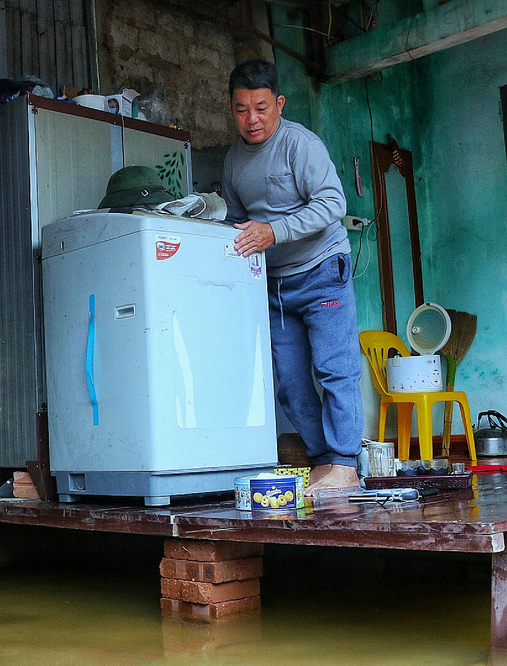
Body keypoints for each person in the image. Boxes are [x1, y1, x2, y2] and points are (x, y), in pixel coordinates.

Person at [221, 58, 363, 494]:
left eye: (261, 107)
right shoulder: (232, 162)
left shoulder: (300, 145)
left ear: (279, 104)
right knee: (292, 385)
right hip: (275, 286)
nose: (253, 119)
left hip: (322, 270)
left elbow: (331, 205)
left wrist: (274, 231)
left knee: (334, 370)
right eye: (242, 109)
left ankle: (346, 463)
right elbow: (237, 223)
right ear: (232, 109)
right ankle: (326, 463)